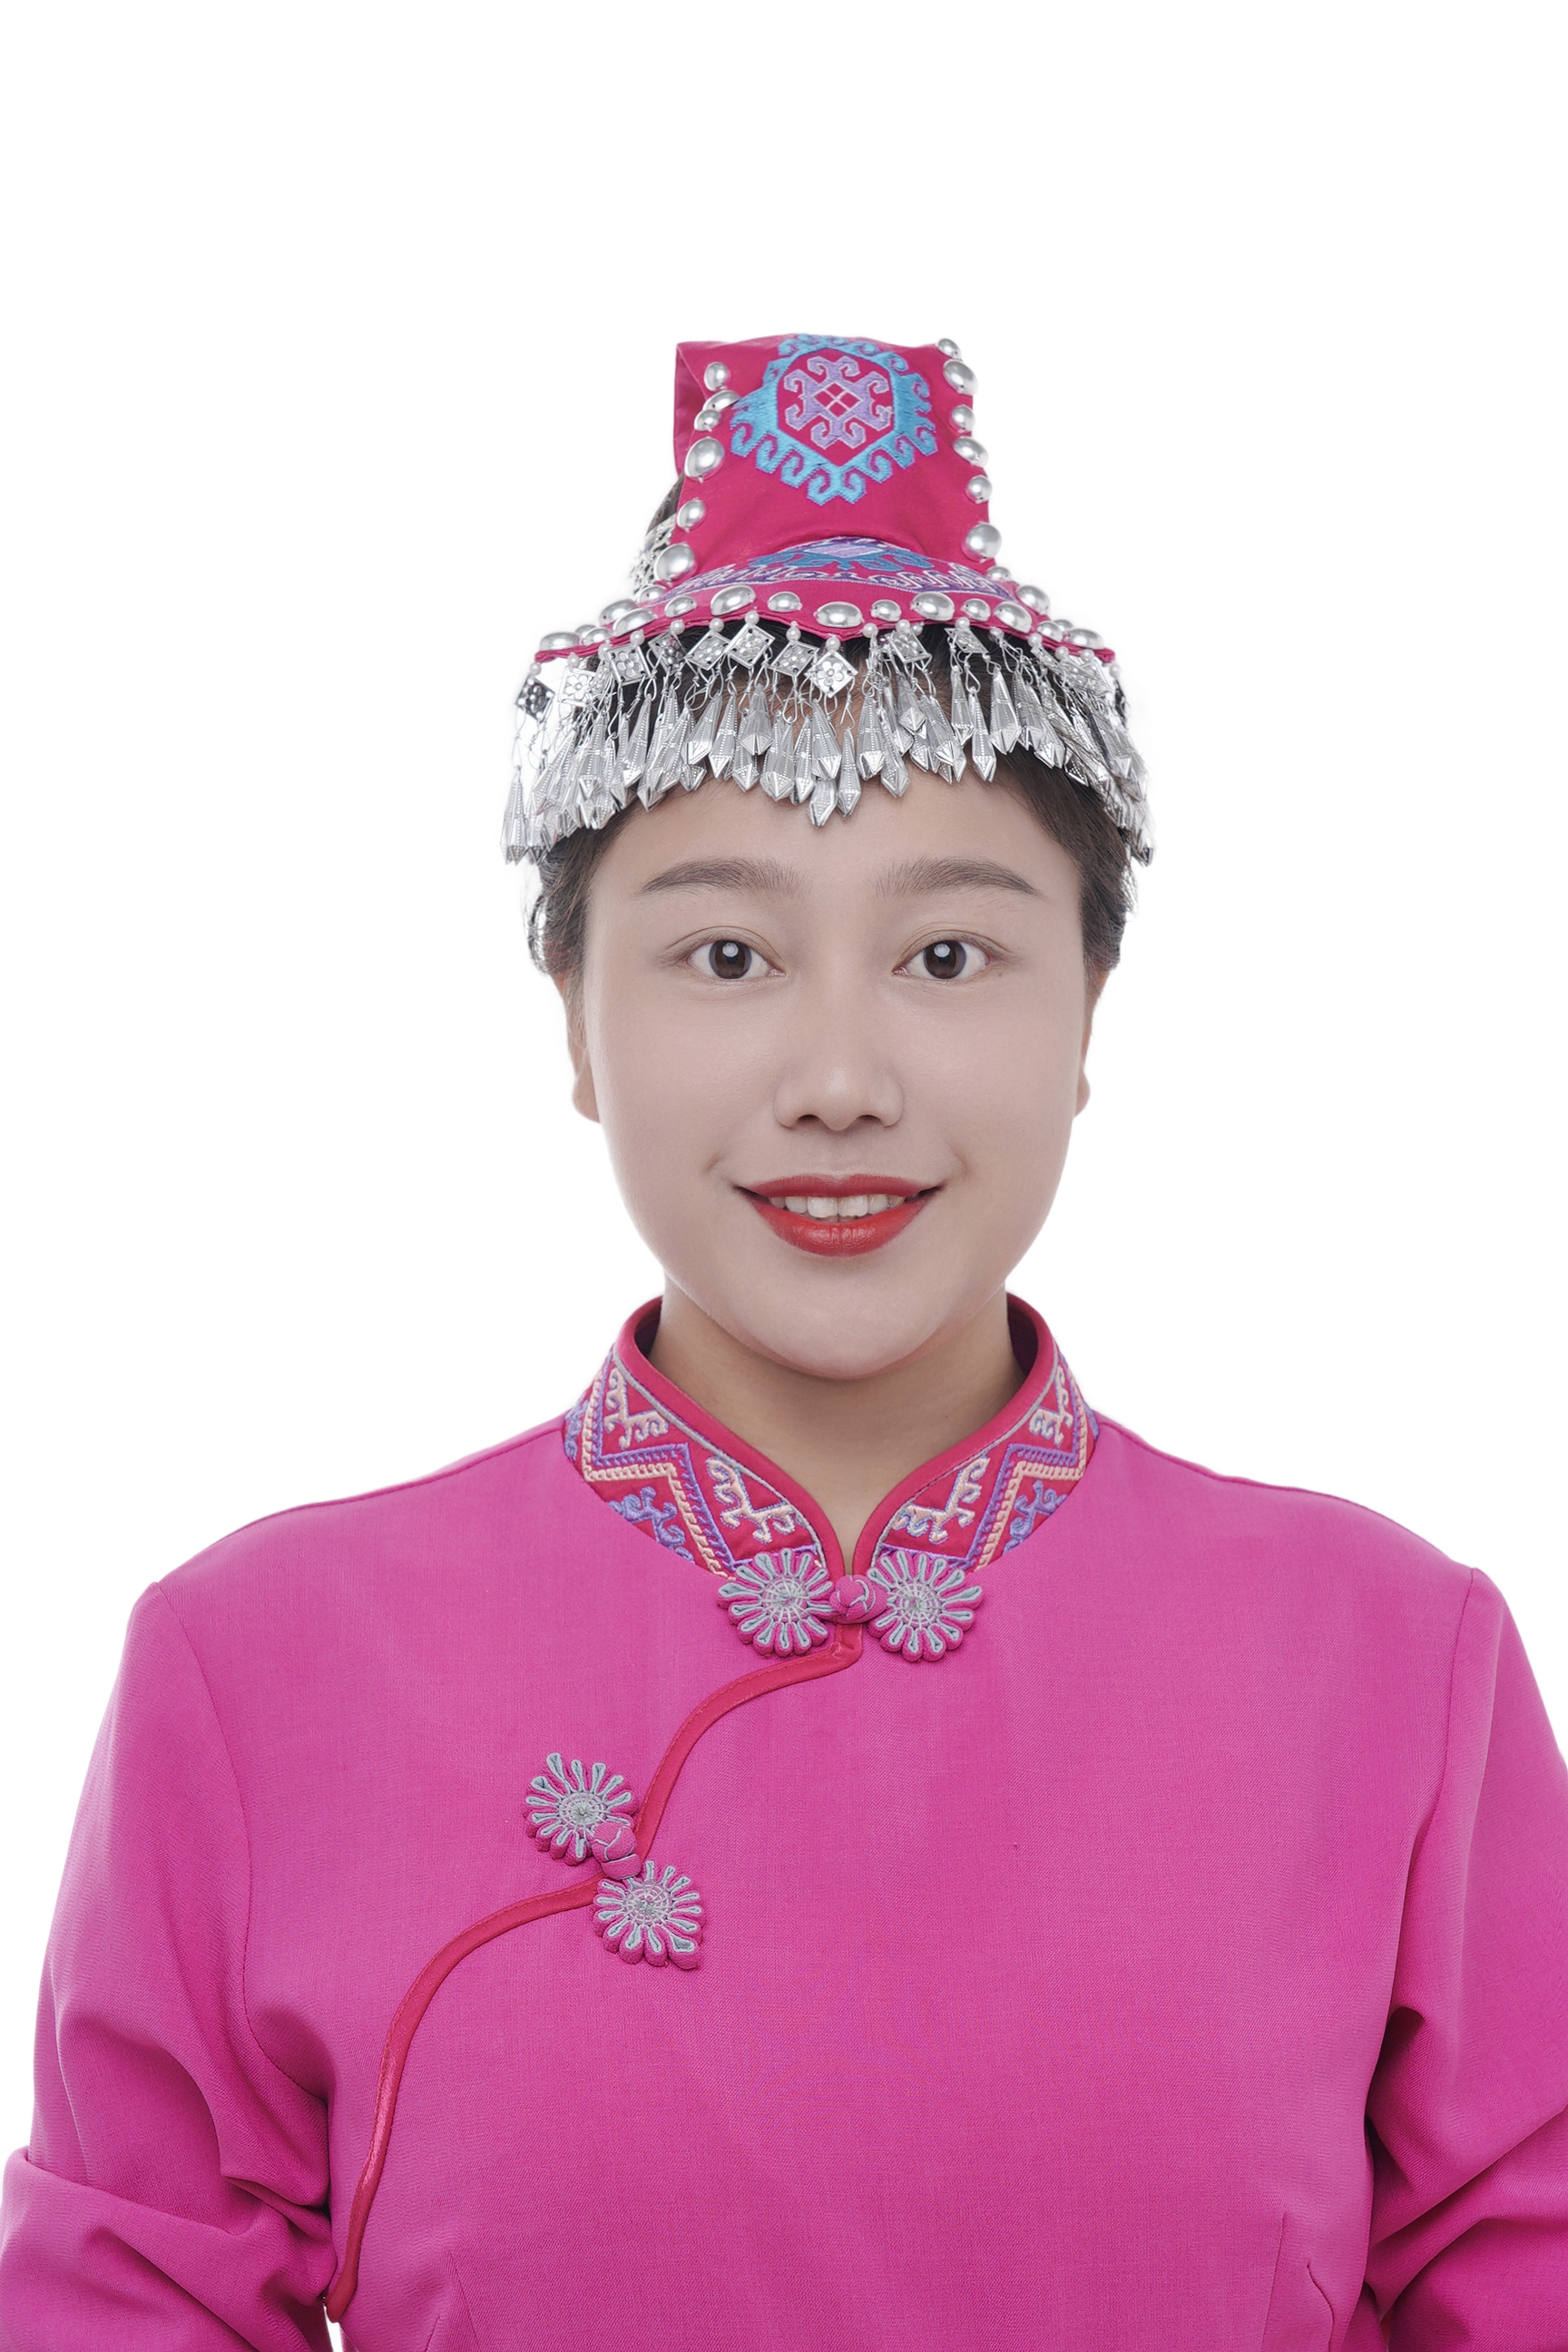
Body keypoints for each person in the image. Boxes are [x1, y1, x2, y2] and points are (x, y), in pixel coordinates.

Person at [2, 332, 1564, 2351]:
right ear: (575, 1019)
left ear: (1091, 1014)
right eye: (725, 953)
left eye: (949, 954)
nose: (839, 1076)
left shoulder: (1397, 1662)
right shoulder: (255, 1668)